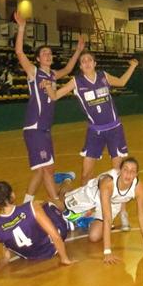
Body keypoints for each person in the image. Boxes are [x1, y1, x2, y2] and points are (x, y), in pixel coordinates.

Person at [44, 51, 138, 230]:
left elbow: (122, 82)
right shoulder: (76, 82)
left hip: (114, 129)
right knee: (86, 173)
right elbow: (54, 96)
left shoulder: (104, 76)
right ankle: (83, 210)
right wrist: (49, 86)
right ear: (80, 66)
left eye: (89, 60)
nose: (86, 62)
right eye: (83, 61)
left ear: (94, 63)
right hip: (95, 132)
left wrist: (132, 66)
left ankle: (123, 213)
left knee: (119, 173)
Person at [14, 10, 85, 204]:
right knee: (47, 168)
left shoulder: (52, 75)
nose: (48, 54)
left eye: (50, 53)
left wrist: (78, 50)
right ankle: (56, 202)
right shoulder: (34, 72)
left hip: (45, 129)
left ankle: (28, 203)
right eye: (44, 53)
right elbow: (19, 52)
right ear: (37, 59)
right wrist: (21, 28)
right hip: (34, 127)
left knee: (43, 169)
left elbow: (69, 69)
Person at [57, 157, 143, 264]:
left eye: (132, 171)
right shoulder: (108, 183)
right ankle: (67, 180)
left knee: (94, 237)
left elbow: (141, 215)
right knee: (62, 203)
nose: (128, 174)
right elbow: (107, 218)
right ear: (119, 171)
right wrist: (107, 251)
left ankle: (86, 216)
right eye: (126, 170)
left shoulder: (139, 188)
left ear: (136, 175)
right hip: (92, 195)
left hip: (113, 203)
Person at [0, 180, 76, 275]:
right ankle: (67, 184)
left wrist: (5, 260)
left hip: (31, 256)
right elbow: (55, 235)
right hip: (52, 247)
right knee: (49, 202)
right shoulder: (31, 207)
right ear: (12, 195)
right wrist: (64, 259)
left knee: (37, 213)